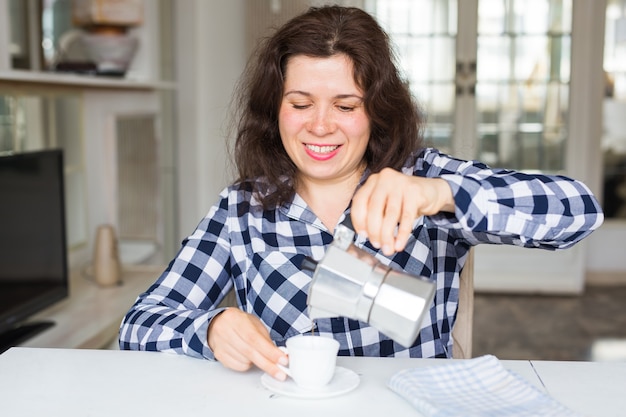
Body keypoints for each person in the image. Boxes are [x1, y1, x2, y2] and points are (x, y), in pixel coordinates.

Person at [119, 5, 603, 382]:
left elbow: (579, 210)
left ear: (375, 111)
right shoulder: (242, 209)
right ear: (276, 111)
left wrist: (441, 195)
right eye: (300, 103)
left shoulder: (422, 179)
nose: (320, 125)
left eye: (345, 105)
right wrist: (209, 329)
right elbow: (139, 325)